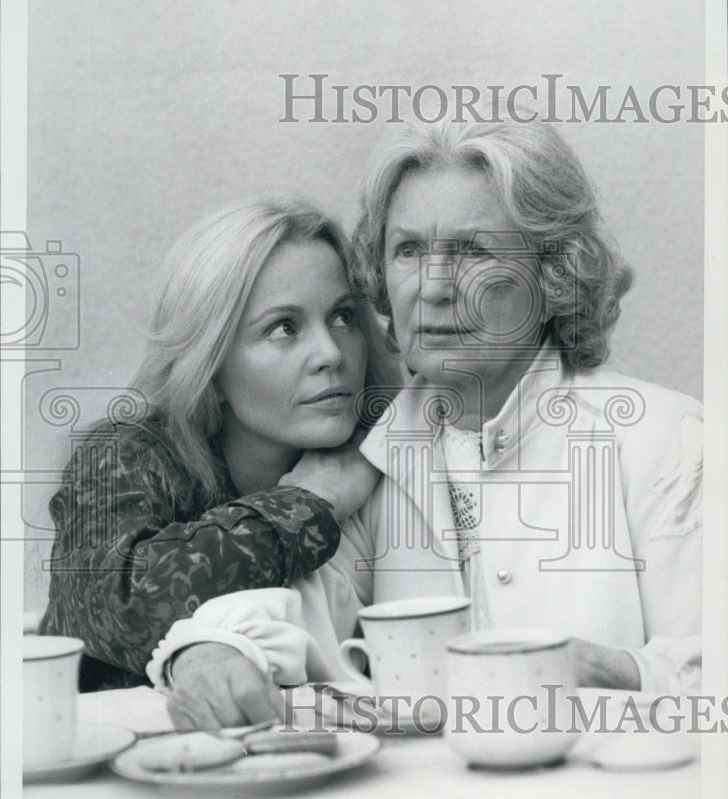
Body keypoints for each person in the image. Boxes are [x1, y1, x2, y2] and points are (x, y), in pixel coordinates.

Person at [149, 120, 702, 728]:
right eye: (409, 250)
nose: (433, 288)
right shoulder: (371, 455)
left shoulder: (667, 440)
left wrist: (594, 667)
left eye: (473, 251)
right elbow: (292, 613)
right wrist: (212, 649)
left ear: (554, 274)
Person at [38, 201, 385, 703]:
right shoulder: (125, 454)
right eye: (284, 328)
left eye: (343, 317)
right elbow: (122, 607)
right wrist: (308, 504)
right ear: (210, 363)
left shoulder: (381, 456)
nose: (331, 354)